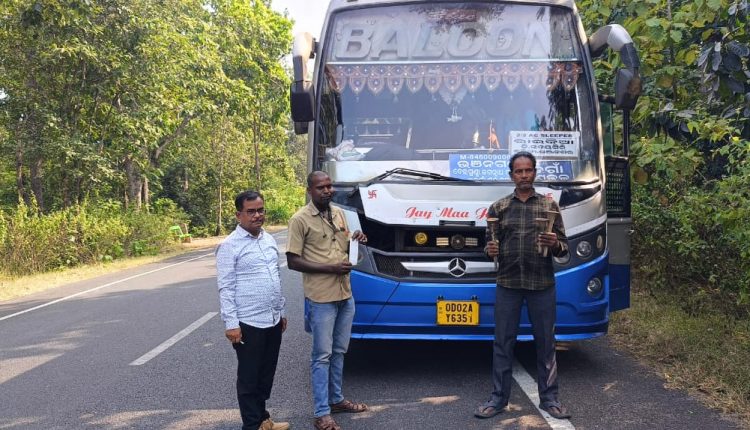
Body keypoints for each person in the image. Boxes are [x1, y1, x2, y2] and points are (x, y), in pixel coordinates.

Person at [474, 151, 572, 420]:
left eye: (528, 170)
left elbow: (564, 250)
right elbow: (489, 248)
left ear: (535, 173)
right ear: (511, 176)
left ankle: (550, 399)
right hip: (508, 283)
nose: (524, 175)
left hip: (542, 284)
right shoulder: (499, 208)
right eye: (519, 171)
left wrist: (555, 244)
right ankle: (498, 399)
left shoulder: (549, 207)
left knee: (546, 343)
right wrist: (490, 250)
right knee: (502, 343)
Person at [286, 171, 369, 430]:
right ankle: (321, 413)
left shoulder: (339, 213)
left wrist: (356, 239)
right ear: (309, 191)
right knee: (321, 356)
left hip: (345, 294)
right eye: (321, 187)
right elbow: (293, 261)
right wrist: (330, 268)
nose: (327, 190)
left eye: (329, 186)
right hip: (321, 297)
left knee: (339, 351)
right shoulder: (299, 219)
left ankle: (337, 400)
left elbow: (343, 246)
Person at [216, 190, 289, 430]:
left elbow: (275, 277)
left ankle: (263, 420)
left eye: (260, 210)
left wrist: (281, 311)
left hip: (272, 318)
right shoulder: (229, 246)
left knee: (266, 374)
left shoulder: (268, 239)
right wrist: (231, 324)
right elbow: (226, 287)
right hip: (248, 322)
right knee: (249, 378)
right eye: (251, 212)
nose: (257, 215)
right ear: (239, 215)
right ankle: (251, 425)